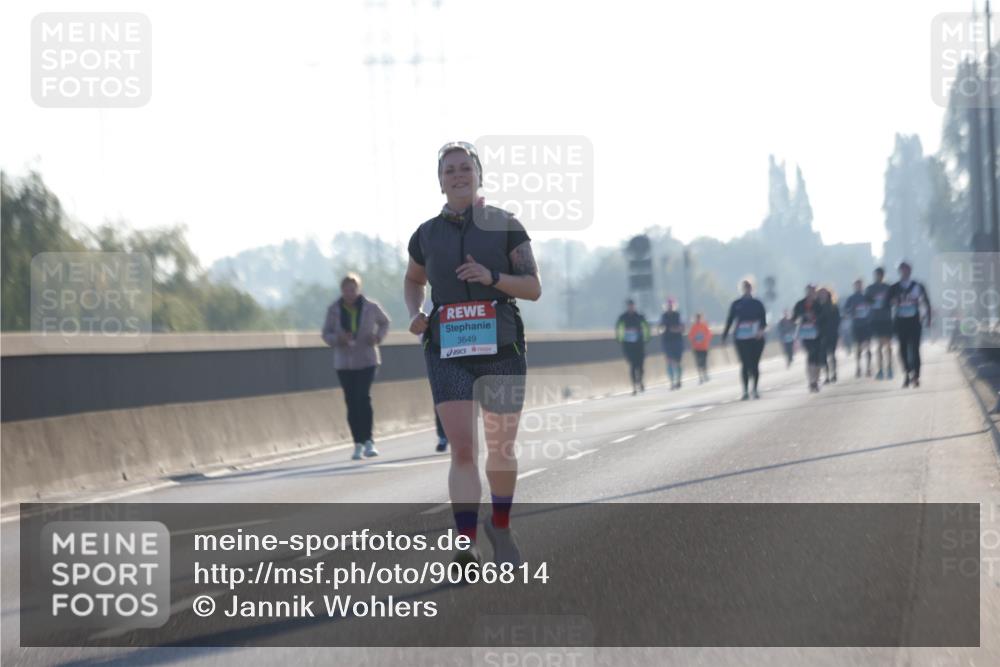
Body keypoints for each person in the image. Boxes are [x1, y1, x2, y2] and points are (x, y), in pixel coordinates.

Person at [404, 141, 541, 569]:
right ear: (440, 181)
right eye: (449, 170)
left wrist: (491, 276)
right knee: (463, 449)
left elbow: (533, 287)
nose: (458, 175)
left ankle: (500, 526)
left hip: (501, 347)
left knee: (500, 448)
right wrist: (415, 313)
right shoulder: (426, 234)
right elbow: (413, 280)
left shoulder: (505, 225)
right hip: (448, 349)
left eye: (465, 168)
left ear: (479, 175)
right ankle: (465, 543)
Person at [321, 273, 391, 460]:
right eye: (346, 290)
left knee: (363, 397)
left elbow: (385, 322)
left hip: (367, 360)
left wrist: (377, 337)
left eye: (352, 290)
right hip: (344, 363)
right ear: (342, 291)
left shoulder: (370, 307)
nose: (349, 293)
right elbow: (326, 333)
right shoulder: (334, 309)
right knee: (351, 402)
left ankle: (369, 441)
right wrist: (338, 339)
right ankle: (357, 443)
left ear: (358, 290)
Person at [888, 261, 932, 388]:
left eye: (906, 269)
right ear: (899, 272)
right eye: (902, 270)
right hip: (900, 321)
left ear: (910, 271)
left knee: (915, 348)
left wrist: (928, 318)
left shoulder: (918, 286)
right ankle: (907, 373)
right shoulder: (894, 287)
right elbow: (887, 303)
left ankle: (916, 375)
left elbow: (926, 302)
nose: (904, 272)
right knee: (902, 349)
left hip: (914, 320)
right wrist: (893, 301)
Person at [721, 279, 767, 400]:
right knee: (745, 364)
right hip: (741, 338)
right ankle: (745, 391)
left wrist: (761, 330)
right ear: (742, 289)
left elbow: (763, 320)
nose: (747, 289)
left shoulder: (758, 303)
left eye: (749, 287)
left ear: (752, 288)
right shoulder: (736, 304)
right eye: (745, 287)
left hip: (756, 338)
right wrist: (724, 335)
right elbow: (730, 320)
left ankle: (755, 389)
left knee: (755, 364)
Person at [792, 284, 826, 393]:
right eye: (809, 291)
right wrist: (802, 317)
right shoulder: (800, 304)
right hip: (805, 334)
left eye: (813, 291)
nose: (811, 293)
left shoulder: (818, 304)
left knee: (817, 357)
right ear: (806, 292)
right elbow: (794, 318)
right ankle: (811, 381)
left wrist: (815, 318)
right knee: (811, 355)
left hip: (817, 334)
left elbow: (823, 318)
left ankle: (816, 379)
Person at [616, 299, 651, 394]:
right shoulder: (623, 317)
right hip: (628, 345)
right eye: (629, 305)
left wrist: (647, 338)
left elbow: (646, 327)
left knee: (640, 366)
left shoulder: (639, 316)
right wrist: (620, 338)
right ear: (627, 307)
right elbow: (618, 327)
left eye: (632, 305)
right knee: (632, 365)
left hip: (639, 344)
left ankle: (640, 380)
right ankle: (634, 385)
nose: (631, 307)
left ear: (634, 306)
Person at [865, 267, 894, 380]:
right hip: (876, 319)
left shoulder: (888, 288)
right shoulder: (870, 288)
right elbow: (866, 300)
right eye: (876, 275)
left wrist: (887, 303)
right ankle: (880, 369)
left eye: (880, 275)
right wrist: (873, 301)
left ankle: (889, 368)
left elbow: (893, 300)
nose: (878, 277)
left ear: (883, 275)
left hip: (887, 318)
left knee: (888, 344)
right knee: (879, 345)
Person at [843, 279, 873, 378]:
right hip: (856, 325)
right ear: (854, 286)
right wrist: (852, 313)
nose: (859, 287)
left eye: (860, 285)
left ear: (862, 286)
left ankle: (868, 368)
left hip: (867, 325)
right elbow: (845, 310)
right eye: (857, 285)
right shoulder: (851, 298)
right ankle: (858, 367)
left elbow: (873, 306)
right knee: (858, 347)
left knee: (868, 346)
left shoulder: (867, 296)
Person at [659, 298, 685, 389]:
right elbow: (660, 327)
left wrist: (676, 330)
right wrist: (661, 330)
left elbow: (682, 328)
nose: (669, 307)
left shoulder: (678, 315)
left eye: (671, 305)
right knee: (669, 361)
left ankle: (678, 380)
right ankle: (672, 382)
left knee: (677, 362)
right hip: (667, 341)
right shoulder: (663, 316)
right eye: (668, 305)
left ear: (674, 306)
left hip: (677, 341)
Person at [816, 287, 840, 384]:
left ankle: (834, 373)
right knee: (823, 356)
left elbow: (838, 320)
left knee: (832, 354)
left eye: (824, 293)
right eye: (821, 293)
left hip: (832, 333)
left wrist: (835, 331)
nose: (822, 295)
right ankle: (826, 376)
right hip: (820, 334)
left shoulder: (833, 306)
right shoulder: (816, 307)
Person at [688, 313, 713, 383]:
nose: (698, 320)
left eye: (699, 318)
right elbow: (690, 336)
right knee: (698, 362)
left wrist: (705, 340)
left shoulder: (704, 326)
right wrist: (694, 340)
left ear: (701, 318)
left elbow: (709, 334)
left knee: (704, 362)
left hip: (704, 347)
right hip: (696, 348)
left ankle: (705, 374)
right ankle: (700, 377)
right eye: (697, 318)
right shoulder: (693, 327)